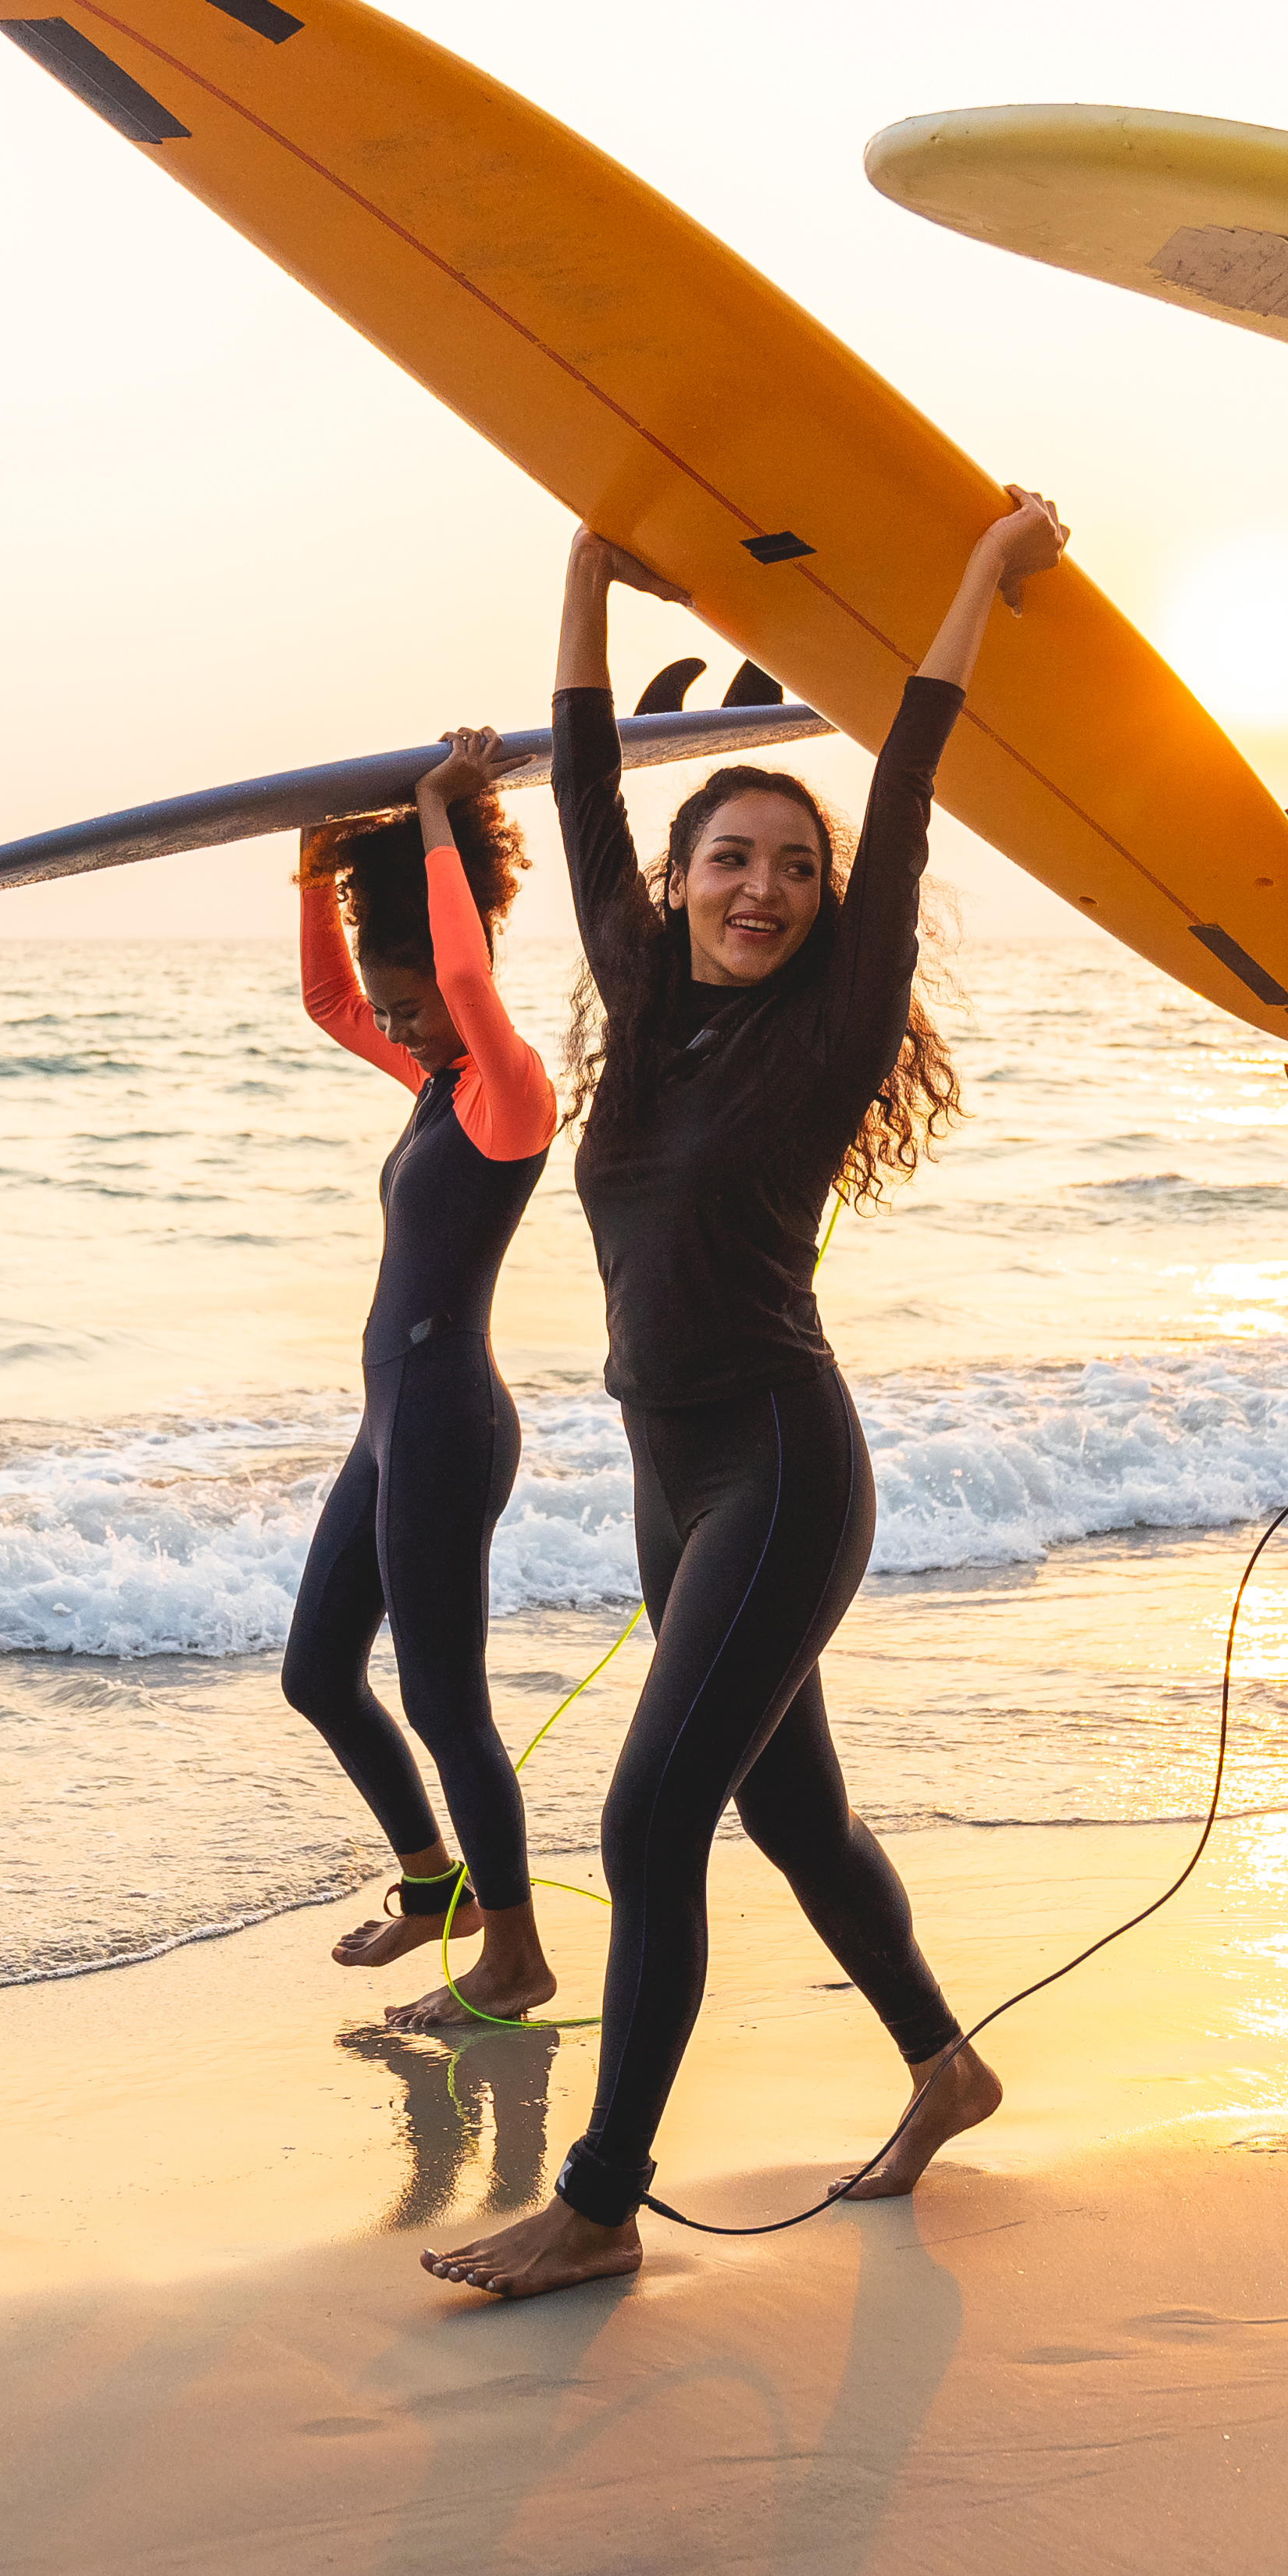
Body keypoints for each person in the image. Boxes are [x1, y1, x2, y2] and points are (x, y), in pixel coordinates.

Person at [419, 508, 1045, 2299]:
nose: (760, 886)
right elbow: (595, 774)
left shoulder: (829, 1030)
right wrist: (584, 574)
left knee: (645, 1825)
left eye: (790, 865)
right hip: (670, 1478)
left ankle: (603, 2200)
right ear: (679, 882)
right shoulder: (642, 985)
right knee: (789, 1814)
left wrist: (977, 570)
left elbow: (908, 789)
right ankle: (946, 2060)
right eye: (730, 860)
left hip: (779, 1465)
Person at [284, 723, 562, 2032]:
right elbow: (330, 1003)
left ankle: (516, 1957)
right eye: (398, 1007)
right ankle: (435, 1886)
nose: (393, 1020)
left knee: (445, 1697)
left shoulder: (509, 1090)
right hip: (392, 1424)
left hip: (452, 1423)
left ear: (470, 988)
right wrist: (309, 868)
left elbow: (456, 959)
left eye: (416, 1001)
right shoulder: (435, 1078)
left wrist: (443, 818)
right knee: (319, 1674)